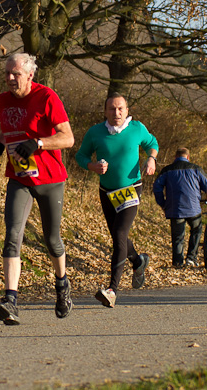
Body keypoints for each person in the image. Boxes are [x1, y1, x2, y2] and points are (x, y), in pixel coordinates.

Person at [0, 53, 75, 325]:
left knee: (52, 240)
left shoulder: (47, 97)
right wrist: (0, 145)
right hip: (20, 177)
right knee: (12, 235)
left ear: (30, 75)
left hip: (50, 179)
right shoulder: (1, 101)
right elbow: (10, 128)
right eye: (7, 74)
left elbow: (68, 138)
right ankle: (11, 300)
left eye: (15, 74)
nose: (10, 79)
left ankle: (62, 284)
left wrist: (38, 144)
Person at [75, 93, 157, 308]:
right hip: (107, 191)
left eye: (120, 108)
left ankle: (112, 289)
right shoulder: (95, 132)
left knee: (120, 234)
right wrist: (91, 166)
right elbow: (80, 156)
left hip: (131, 188)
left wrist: (151, 159)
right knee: (118, 236)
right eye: (112, 109)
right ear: (105, 112)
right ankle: (138, 261)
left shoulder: (137, 128)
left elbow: (152, 142)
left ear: (127, 111)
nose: (116, 113)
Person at [153, 148, 207, 268]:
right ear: (188, 157)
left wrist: (163, 203)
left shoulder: (167, 170)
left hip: (175, 209)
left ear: (175, 157)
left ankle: (178, 262)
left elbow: (157, 187)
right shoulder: (196, 169)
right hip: (193, 209)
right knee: (196, 230)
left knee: (178, 236)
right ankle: (191, 258)